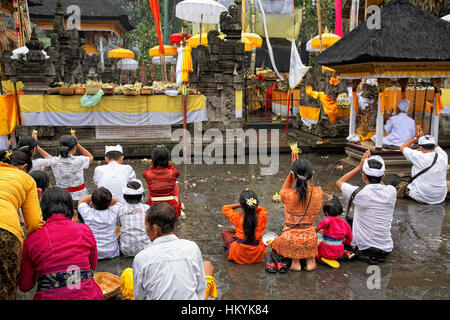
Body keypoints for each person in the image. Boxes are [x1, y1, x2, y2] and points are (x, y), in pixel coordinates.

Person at [18, 187, 103, 300]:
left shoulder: (32, 239)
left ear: (43, 208)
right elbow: (92, 265)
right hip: (88, 295)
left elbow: (25, 285)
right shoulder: (84, 230)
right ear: (69, 207)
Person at [133, 202, 210, 300]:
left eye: (146, 225)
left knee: (128, 275)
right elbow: (201, 287)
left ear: (155, 228)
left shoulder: (141, 258)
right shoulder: (191, 247)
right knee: (207, 266)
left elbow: (139, 296)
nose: (146, 229)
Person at [336, 150, 396, 264]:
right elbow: (380, 185)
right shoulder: (392, 191)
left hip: (363, 249)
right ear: (382, 176)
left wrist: (359, 167)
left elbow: (340, 182)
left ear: (363, 176)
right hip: (386, 249)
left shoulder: (359, 193)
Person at [0, 150, 44, 299]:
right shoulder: (26, 179)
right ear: (24, 167)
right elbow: (34, 223)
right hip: (5, 232)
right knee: (5, 287)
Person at [270, 158, 323, 272]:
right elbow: (308, 186)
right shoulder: (319, 193)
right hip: (311, 239)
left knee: (275, 243)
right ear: (311, 177)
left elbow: (285, 187)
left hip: (290, 240)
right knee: (310, 240)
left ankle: (295, 262)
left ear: (293, 176)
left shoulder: (287, 195)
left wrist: (292, 172)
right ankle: (310, 261)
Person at [36, 132, 93, 209]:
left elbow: (48, 158)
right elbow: (90, 157)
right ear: (74, 147)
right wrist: (78, 143)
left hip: (62, 196)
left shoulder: (54, 161)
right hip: (80, 196)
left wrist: (37, 147)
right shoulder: (79, 160)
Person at [398, 127, 448, 205]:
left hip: (421, 196)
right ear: (434, 146)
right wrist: (425, 138)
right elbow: (436, 146)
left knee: (396, 182)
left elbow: (402, 147)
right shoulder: (443, 155)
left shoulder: (418, 156)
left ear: (420, 148)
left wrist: (416, 137)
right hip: (439, 197)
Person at [221, 190, 267, 264]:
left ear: (242, 206)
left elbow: (225, 208)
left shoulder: (237, 217)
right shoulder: (262, 216)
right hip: (257, 254)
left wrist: (240, 205)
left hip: (238, 253)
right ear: (255, 204)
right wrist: (251, 205)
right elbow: (262, 209)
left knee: (225, 233)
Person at [77, 187, 122, 260]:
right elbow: (117, 202)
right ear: (110, 203)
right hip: (112, 252)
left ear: (92, 203)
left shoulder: (87, 212)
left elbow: (81, 202)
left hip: (94, 253)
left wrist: (93, 197)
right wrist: (104, 198)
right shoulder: (115, 210)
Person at [143, 146, 184, 219]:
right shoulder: (173, 173)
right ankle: (179, 204)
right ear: (167, 159)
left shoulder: (148, 174)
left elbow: (145, 173)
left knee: (152, 187)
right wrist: (168, 164)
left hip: (153, 209)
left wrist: (154, 165)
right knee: (175, 186)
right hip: (172, 209)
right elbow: (177, 172)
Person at [315, 195, 353, 266]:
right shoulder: (345, 224)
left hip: (325, 252)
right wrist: (342, 242)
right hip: (339, 252)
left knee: (316, 247)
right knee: (336, 244)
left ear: (326, 213)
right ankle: (343, 253)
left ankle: (320, 259)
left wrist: (316, 230)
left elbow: (325, 222)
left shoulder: (328, 219)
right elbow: (350, 239)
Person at [118, 179, 151, 257]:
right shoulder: (147, 208)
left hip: (126, 251)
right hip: (145, 249)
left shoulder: (121, 209)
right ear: (141, 196)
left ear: (124, 196)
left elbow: (118, 225)